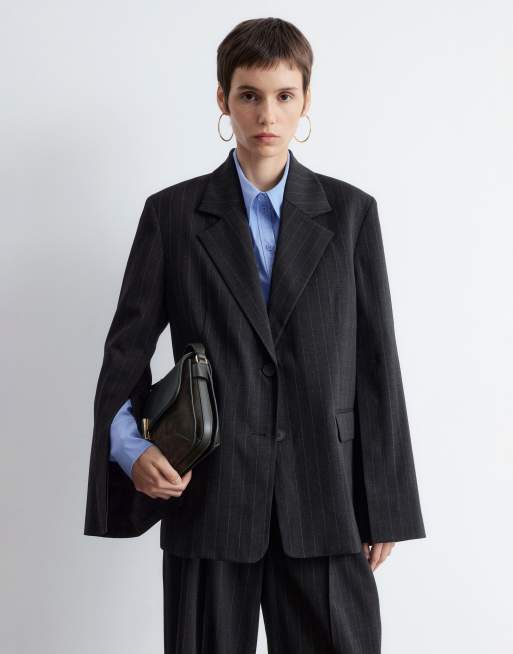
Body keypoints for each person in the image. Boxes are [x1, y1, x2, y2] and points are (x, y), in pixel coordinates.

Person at [84, 16, 426, 654]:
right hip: (210, 498)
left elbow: (378, 364)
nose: (267, 114)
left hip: (327, 497)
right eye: (249, 95)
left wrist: (385, 505)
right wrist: (131, 449)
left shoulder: (352, 215)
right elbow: (125, 350)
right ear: (223, 99)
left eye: (284, 95)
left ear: (306, 100)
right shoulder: (172, 215)